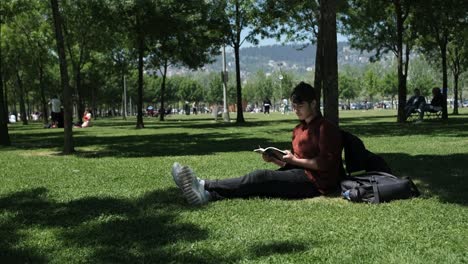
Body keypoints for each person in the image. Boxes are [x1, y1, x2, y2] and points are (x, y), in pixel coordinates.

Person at [171, 82, 343, 205]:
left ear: (313, 103)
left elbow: (323, 164)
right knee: (260, 186)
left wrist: (293, 161)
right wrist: (275, 158)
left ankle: (203, 184)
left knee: (260, 177)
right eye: (293, 105)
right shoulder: (298, 129)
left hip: (316, 183)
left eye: (300, 105)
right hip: (300, 174)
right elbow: (293, 162)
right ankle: (208, 195)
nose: (296, 109)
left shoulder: (325, 128)